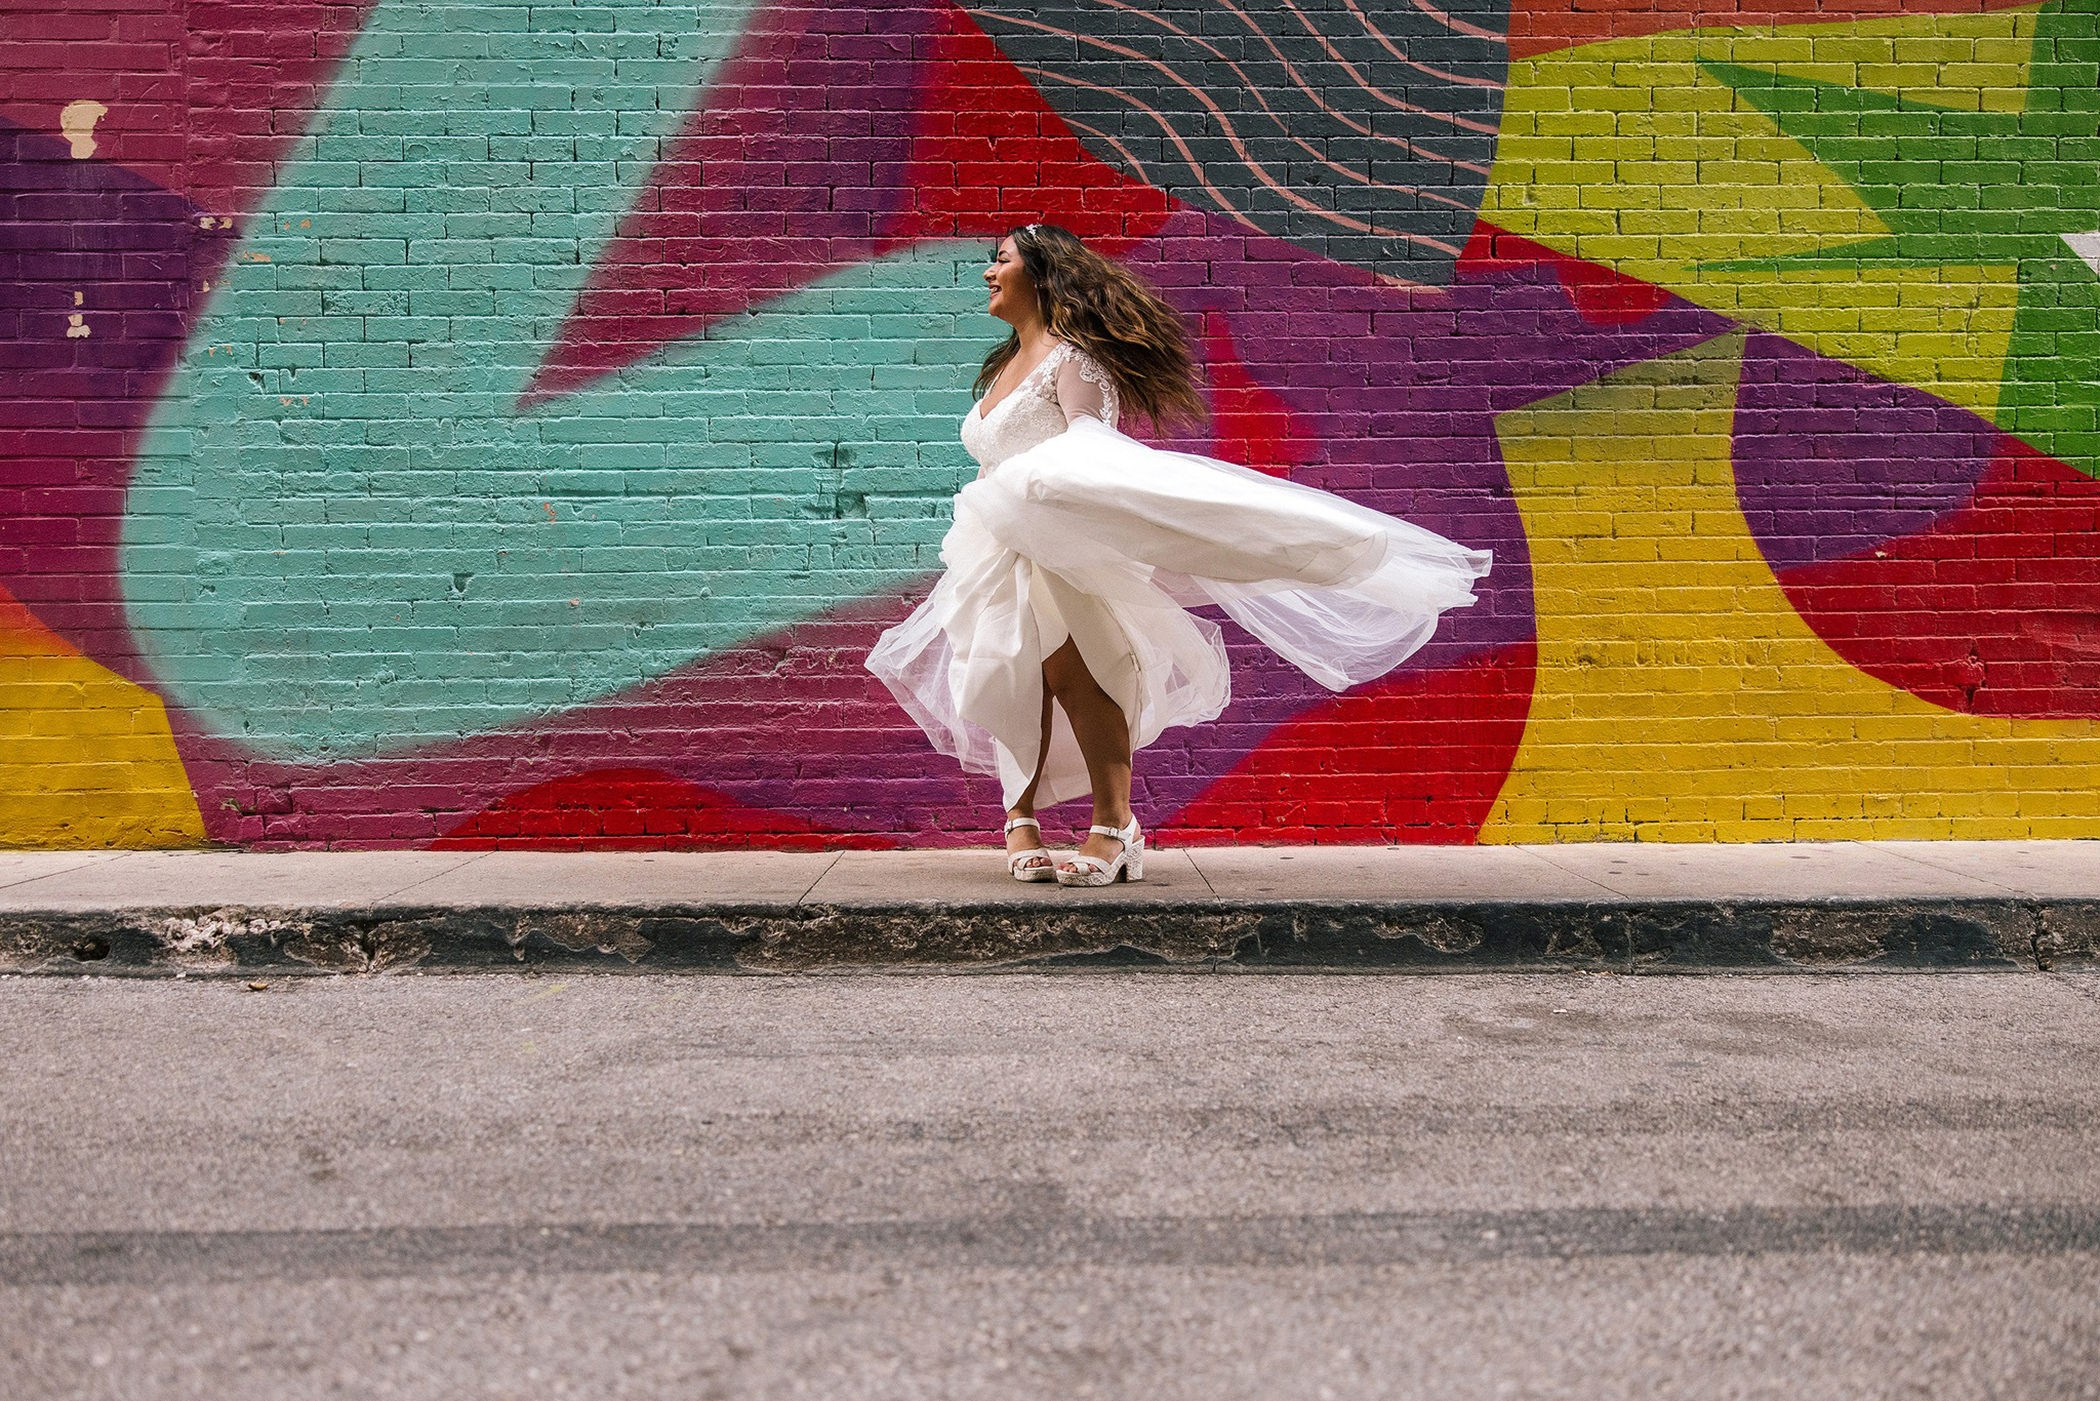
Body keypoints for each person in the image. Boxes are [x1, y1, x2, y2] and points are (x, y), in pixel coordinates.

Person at [866, 224, 1492, 886]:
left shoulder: (1072, 358)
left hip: (1063, 535)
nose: (990, 273)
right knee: (1007, 670)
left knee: (1081, 672)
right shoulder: (1001, 365)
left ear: (1043, 272)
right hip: (997, 544)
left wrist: (1041, 482)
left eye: (1003, 261)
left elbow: (1089, 440)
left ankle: (1116, 825)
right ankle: (1018, 816)